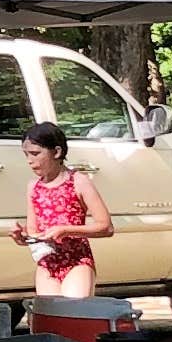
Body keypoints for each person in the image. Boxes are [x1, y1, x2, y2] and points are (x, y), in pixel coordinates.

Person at [8, 121, 113, 296]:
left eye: (35, 154)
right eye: (26, 154)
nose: (30, 161)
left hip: (77, 261)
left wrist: (65, 230)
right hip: (47, 263)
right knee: (50, 318)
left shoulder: (78, 182)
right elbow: (35, 232)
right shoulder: (33, 187)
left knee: (73, 314)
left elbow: (106, 227)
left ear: (56, 152)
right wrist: (22, 237)